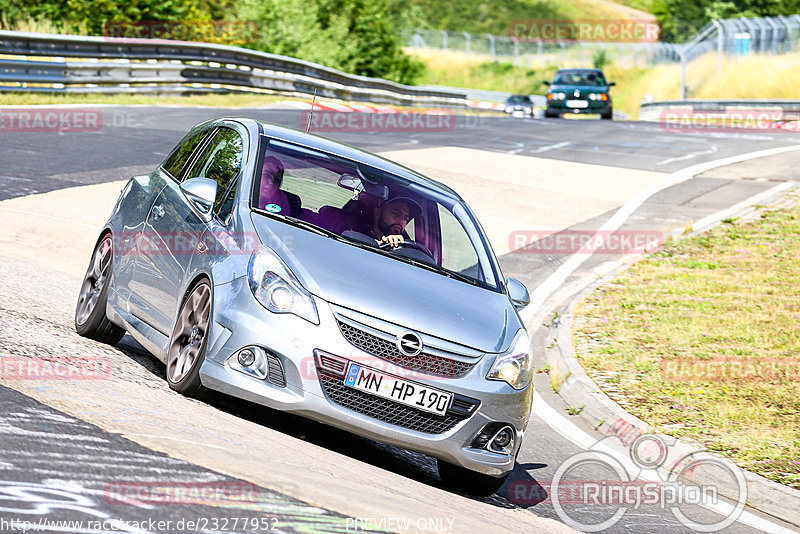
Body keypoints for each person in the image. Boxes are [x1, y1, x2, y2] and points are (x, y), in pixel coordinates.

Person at [349, 194, 422, 248]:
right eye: (395, 214)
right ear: (377, 213)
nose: (401, 221)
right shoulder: (356, 234)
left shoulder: (407, 248)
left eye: (406, 218)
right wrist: (380, 243)